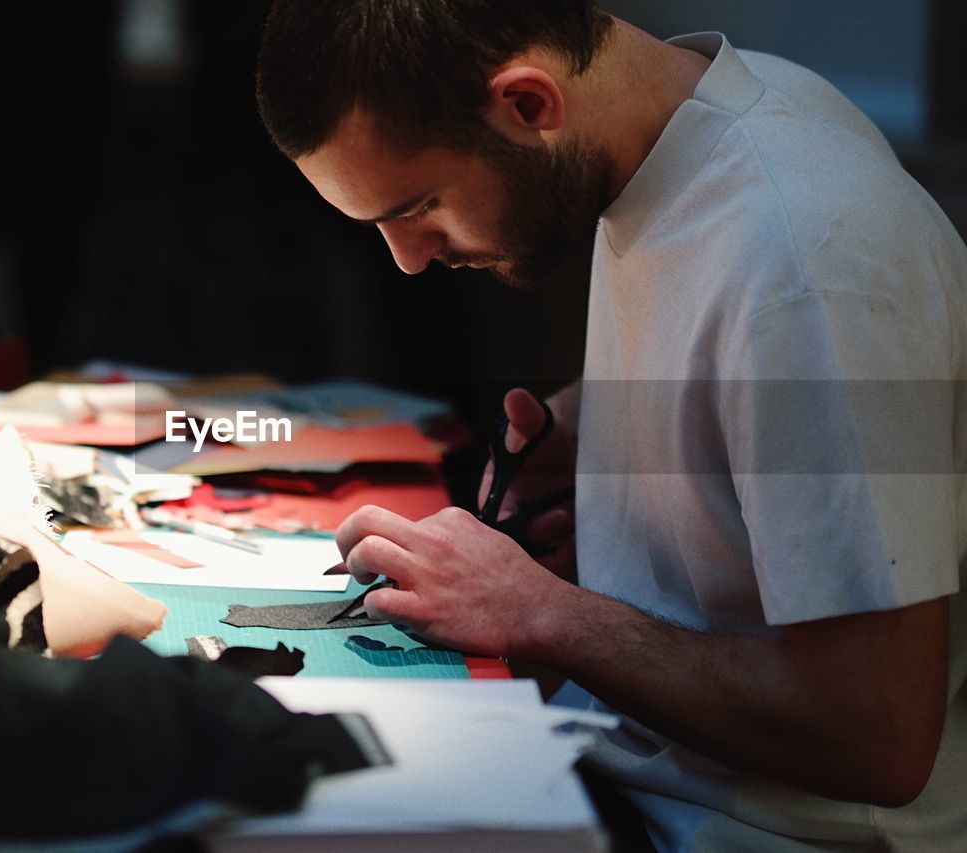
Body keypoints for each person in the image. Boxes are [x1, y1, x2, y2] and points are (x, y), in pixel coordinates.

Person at [256, 2, 967, 850]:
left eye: (418, 205)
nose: (409, 257)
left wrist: (539, 609)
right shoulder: (701, 129)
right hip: (625, 769)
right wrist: (609, 432)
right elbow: (746, 355)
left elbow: (877, 735)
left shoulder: (806, 256)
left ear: (527, 105)